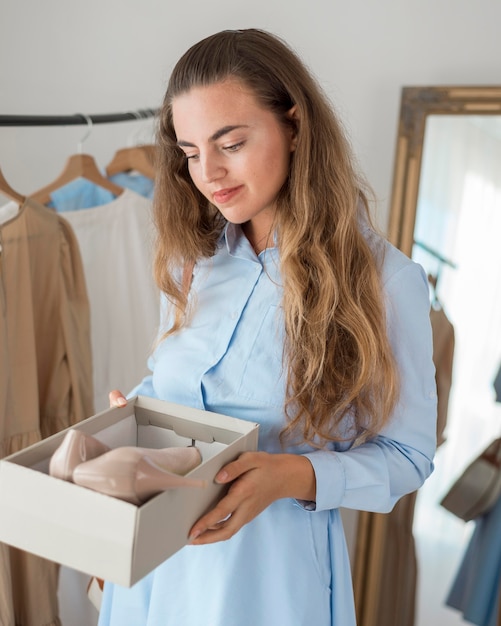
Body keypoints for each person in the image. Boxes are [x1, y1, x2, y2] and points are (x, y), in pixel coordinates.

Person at [99, 28, 437, 626]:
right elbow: (169, 384)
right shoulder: (189, 261)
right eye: (192, 152)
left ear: (295, 125)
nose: (210, 173)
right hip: (152, 564)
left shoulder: (386, 281)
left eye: (230, 142)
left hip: (267, 579)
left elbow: (408, 456)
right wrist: (136, 422)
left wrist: (293, 475)